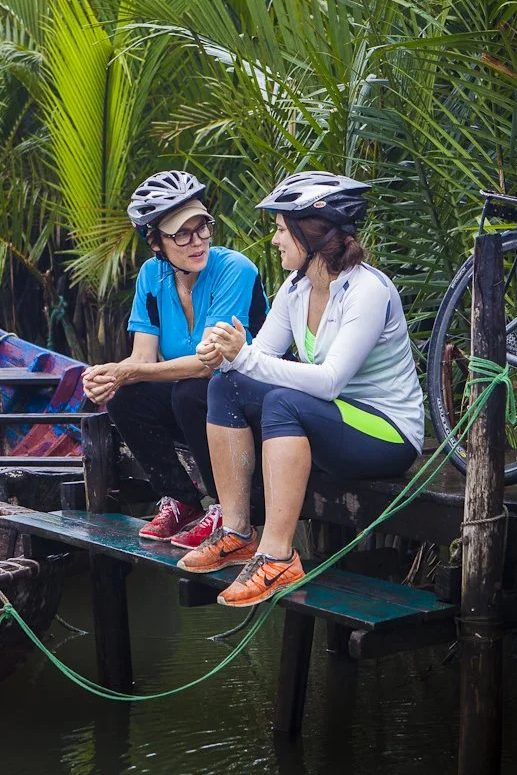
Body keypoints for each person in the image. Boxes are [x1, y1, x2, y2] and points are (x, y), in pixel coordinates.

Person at [178, 171, 424, 607]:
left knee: (282, 403)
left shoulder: (367, 291)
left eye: (280, 229)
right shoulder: (297, 287)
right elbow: (257, 358)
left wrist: (246, 356)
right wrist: (222, 351)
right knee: (226, 387)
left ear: (311, 233)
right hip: (333, 422)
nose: (274, 241)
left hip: (387, 436)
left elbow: (330, 381)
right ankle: (237, 532)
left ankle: (278, 556)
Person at [82, 170, 265, 547]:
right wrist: (110, 378)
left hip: (253, 406)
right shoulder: (152, 276)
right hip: (199, 409)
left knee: (194, 390)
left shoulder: (235, 269)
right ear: (155, 241)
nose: (197, 242)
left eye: (203, 228)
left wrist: (125, 371)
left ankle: (225, 508)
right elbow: (142, 359)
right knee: (125, 396)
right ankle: (181, 500)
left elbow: (209, 363)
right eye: (182, 233)